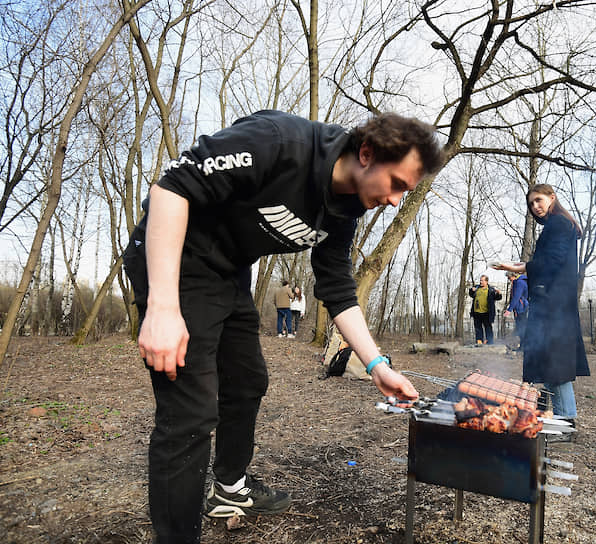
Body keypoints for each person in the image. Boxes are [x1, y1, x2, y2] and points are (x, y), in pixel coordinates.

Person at [123, 109, 443, 543]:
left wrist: (377, 365)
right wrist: (162, 307)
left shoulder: (346, 211)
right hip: (172, 258)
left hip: (228, 271)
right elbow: (171, 188)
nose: (395, 201)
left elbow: (337, 288)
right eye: (397, 184)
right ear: (366, 153)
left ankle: (230, 488)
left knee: (248, 379)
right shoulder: (280, 144)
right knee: (190, 413)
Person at [494, 184, 589, 428]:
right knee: (550, 364)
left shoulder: (558, 224)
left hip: (554, 305)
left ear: (552, 198)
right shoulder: (558, 225)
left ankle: (566, 421)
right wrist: (525, 265)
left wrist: (522, 267)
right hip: (555, 304)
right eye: (531, 204)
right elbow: (547, 261)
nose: (535, 207)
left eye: (538, 200)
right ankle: (550, 418)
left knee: (556, 366)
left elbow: (552, 262)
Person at [468, 275, 502, 345]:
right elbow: (471, 294)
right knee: (478, 328)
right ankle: (479, 341)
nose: (481, 282)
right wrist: (471, 290)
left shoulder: (491, 290)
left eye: (482, 280)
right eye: (480, 280)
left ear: (486, 281)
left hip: (486, 312)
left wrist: (499, 293)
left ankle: (489, 342)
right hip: (476, 312)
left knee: (488, 328)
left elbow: (498, 298)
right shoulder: (477, 288)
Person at [503, 270, 528, 349]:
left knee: (521, 328)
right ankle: (521, 346)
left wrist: (509, 309)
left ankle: (523, 346)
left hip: (522, 308)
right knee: (520, 328)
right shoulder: (516, 282)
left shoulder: (520, 283)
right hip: (518, 308)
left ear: (513, 275)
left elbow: (516, 297)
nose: (509, 279)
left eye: (509, 277)